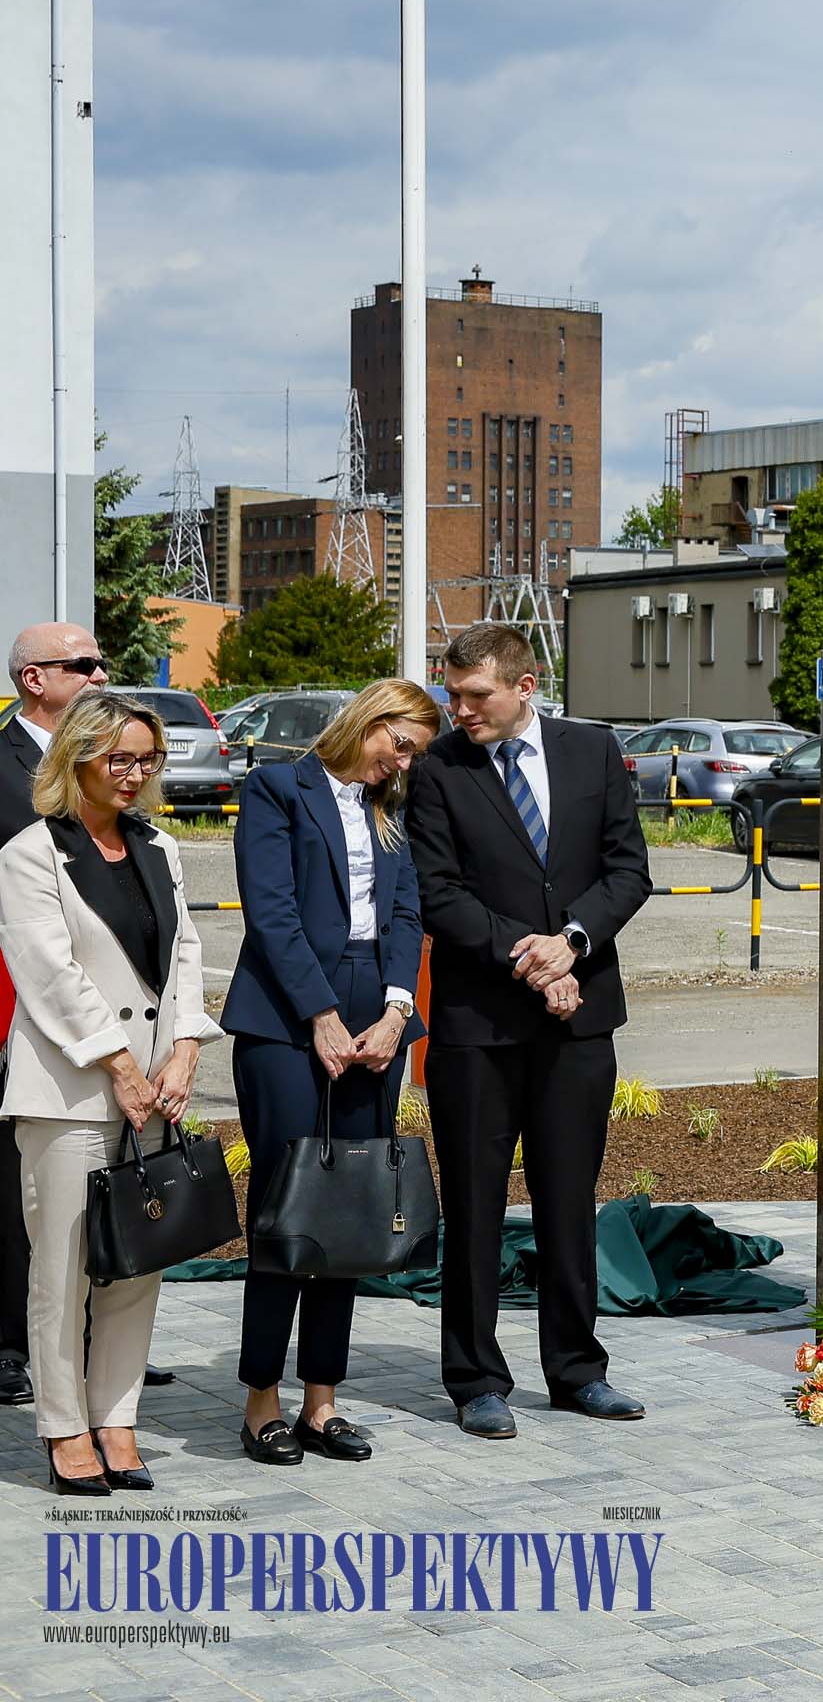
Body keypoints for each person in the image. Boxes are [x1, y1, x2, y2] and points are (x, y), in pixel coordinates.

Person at [403, 624, 651, 1440]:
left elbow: (628, 871)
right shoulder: (438, 769)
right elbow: (437, 892)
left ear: (526, 685)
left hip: (581, 1019)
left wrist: (573, 942)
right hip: (480, 1022)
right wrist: (533, 960)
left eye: (475, 695)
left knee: (568, 1199)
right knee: (473, 1204)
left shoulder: (592, 752)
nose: (458, 708)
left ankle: (578, 1370)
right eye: (451, 692)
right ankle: (475, 1379)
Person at [0, 690, 215, 1493]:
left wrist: (186, 1046)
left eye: (146, 760)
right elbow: (49, 976)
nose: (133, 774)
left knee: (135, 1263)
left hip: (155, 1090)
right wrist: (122, 1067)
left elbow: (187, 950)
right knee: (61, 1270)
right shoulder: (30, 853)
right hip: (71, 1091)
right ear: (75, 759)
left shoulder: (158, 846)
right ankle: (63, 1429)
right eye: (117, 758)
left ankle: (116, 1417)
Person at [223, 678, 441, 1466]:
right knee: (288, 1215)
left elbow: (408, 913)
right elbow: (271, 911)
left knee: (345, 1215)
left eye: (414, 751)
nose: (402, 762)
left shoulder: (391, 810)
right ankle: (260, 1402)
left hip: (374, 1014)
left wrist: (392, 1015)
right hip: (285, 1018)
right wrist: (320, 1017)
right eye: (400, 742)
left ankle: (322, 1401)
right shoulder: (278, 787)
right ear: (368, 720)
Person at [0, 620, 108, 1411]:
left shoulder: (104, 769)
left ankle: (90, 1343)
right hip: (14, 999)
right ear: (33, 678)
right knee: (15, 1178)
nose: (101, 675)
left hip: (102, 1001)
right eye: (83, 665)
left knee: (93, 1172)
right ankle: (12, 1344)